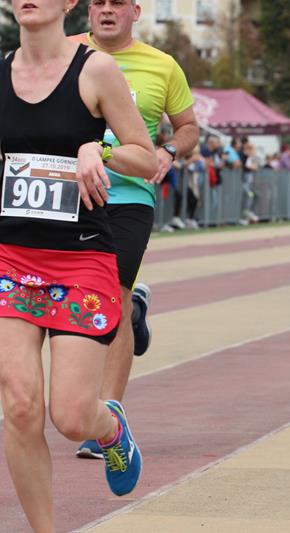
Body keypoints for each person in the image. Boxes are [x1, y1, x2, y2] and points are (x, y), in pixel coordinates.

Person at [0, 1, 158, 529]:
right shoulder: (1, 72)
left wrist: (99, 151)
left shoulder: (95, 70)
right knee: (20, 406)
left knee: (70, 417)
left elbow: (146, 157)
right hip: (9, 257)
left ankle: (109, 428)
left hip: (79, 258)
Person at [70, 0, 199, 460]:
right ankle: (136, 316)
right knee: (73, 302)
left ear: (136, 12)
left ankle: (107, 419)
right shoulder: (65, 54)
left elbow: (188, 127)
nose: (107, 10)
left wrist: (167, 150)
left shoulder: (162, 65)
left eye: (117, 3)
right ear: (87, 10)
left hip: (129, 196)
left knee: (115, 298)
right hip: (71, 193)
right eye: (99, 3)